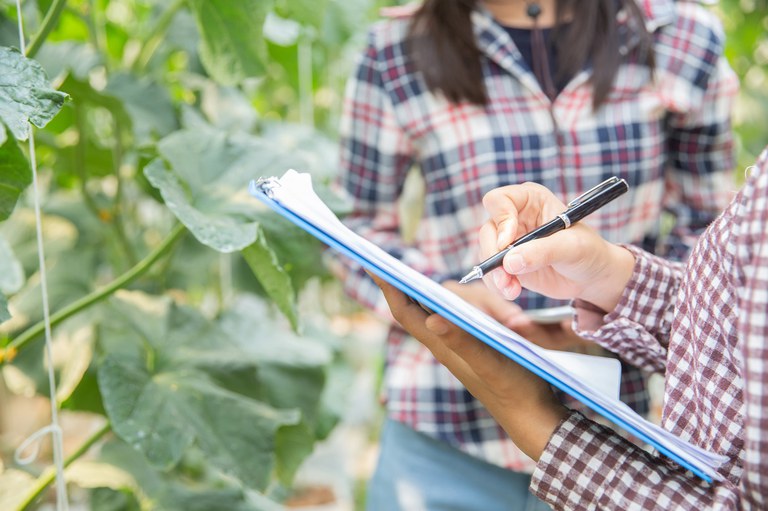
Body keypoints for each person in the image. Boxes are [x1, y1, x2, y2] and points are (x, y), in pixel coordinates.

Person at [336, 0, 737, 508]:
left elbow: (712, 232)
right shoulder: (397, 49)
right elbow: (357, 227)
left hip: (622, 437)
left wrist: (611, 302)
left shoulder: (680, 37)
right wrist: (445, 296)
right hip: (447, 429)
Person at [371, 146, 768, 509]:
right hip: (442, 426)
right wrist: (608, 279)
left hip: (611, 434)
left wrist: (535, 419)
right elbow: (729, 309)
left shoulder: (687, 67)